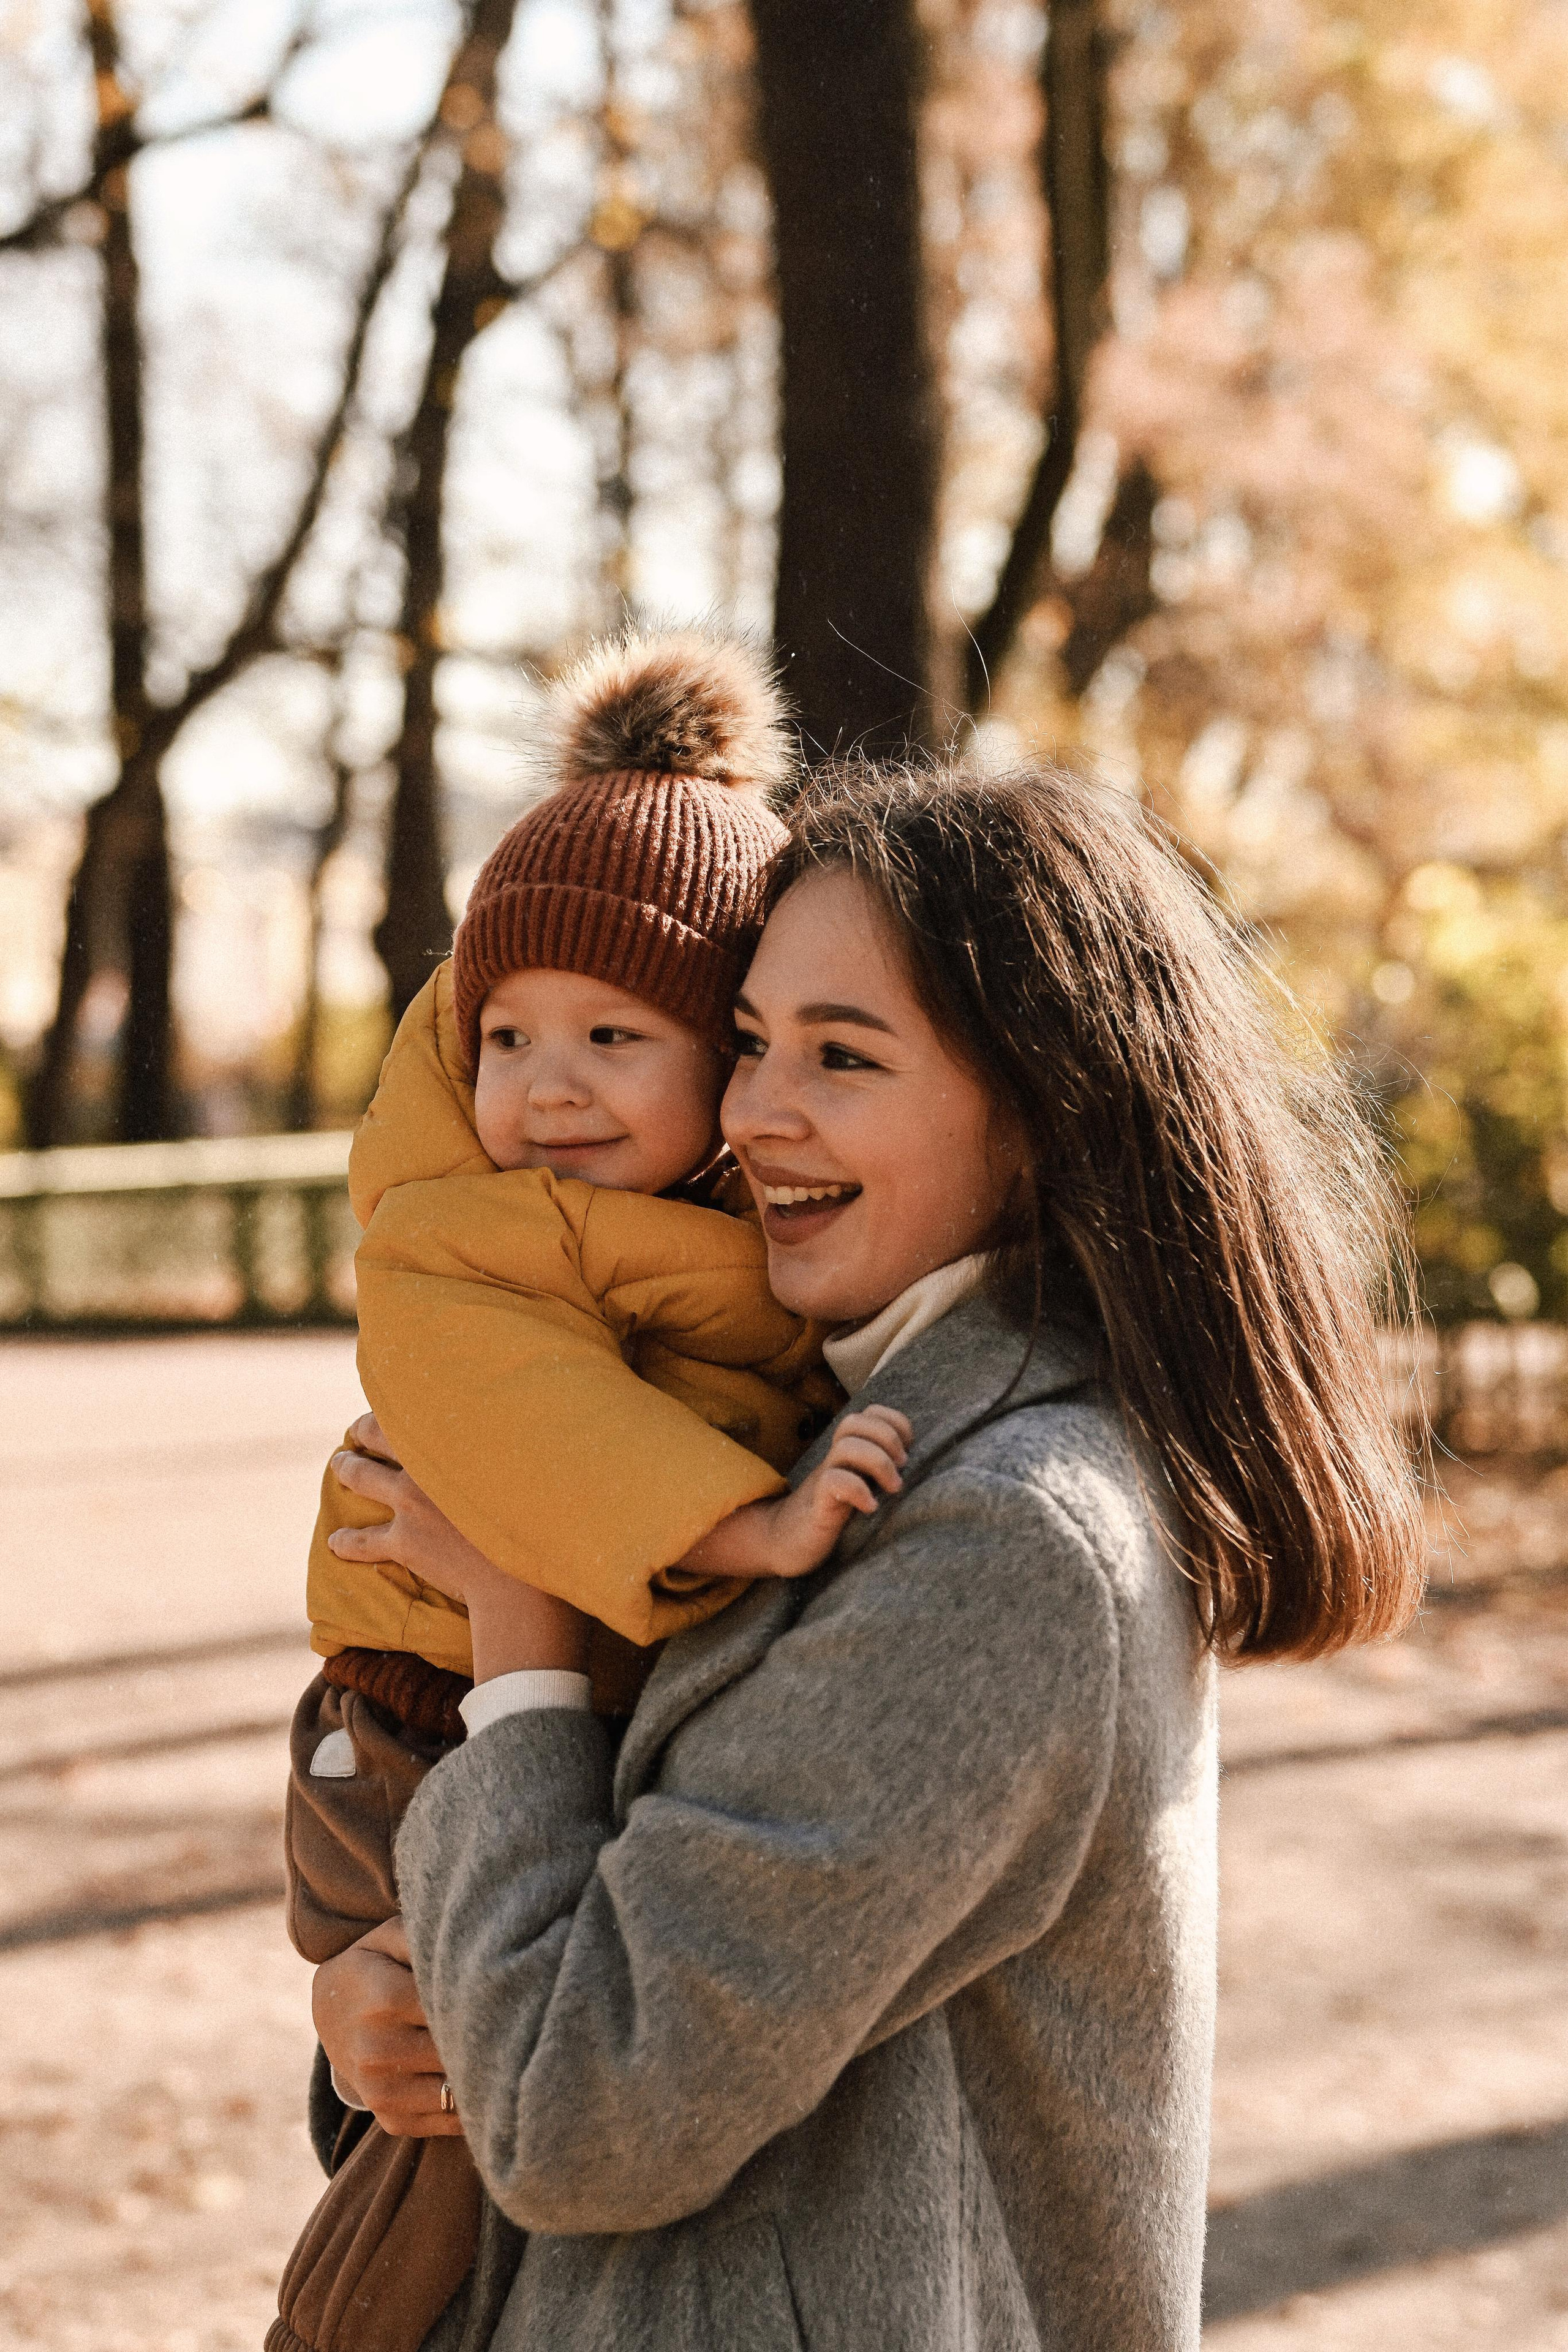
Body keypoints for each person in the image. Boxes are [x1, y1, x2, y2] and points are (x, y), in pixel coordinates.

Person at [311, 756, 1426, 2352]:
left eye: (844, 1056)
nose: (757, 1111)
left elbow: (585, 2111)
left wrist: (518, 1620)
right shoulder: (803, 1432)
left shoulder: (1006, 1534)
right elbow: (589, 1964)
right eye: (752, 1042)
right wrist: (395, 2017)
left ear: (1044, 1112)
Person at [275, 635, 906, 2352]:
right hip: (414, 1729)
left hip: (497, 1719)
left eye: (616, 1035)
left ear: (727, 1055)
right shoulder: (474, 1229)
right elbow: (535, 1419)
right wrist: (740, 1524)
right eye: (504, 1037)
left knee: (466, 2116)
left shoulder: (713, 1225)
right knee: (436, 2147)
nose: (545, 1088)